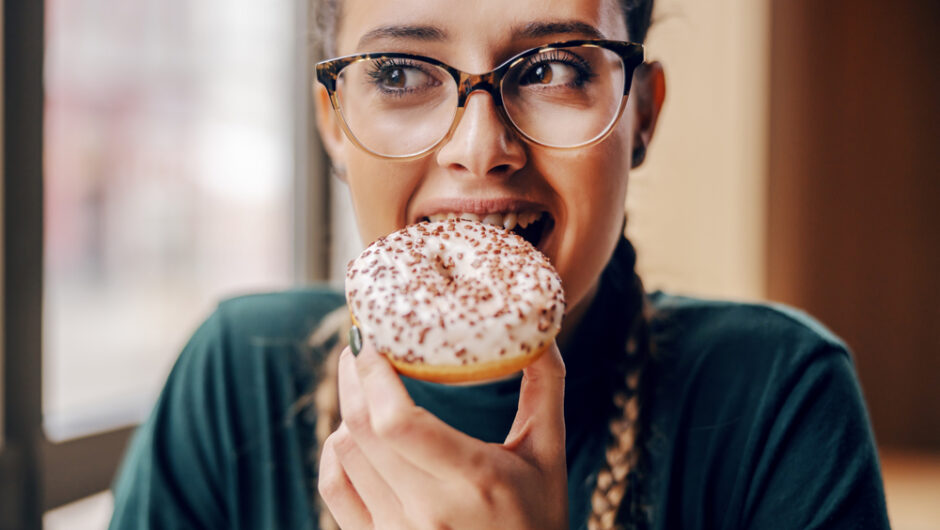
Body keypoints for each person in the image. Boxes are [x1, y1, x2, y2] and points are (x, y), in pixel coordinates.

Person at [109, 0, 890, 528]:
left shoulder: (780, 399)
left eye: (552, 68)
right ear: (335, 124)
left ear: (642, 114)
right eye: (399, 72)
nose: (480, 147)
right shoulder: (234, 376)